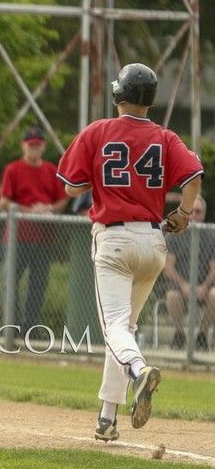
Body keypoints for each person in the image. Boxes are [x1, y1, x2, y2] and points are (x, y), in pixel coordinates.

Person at [57, 62, 204, 442]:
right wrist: (185, 214)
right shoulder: (165, 137)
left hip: (115, 240)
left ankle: (139, 370)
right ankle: (107, 418)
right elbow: (193, 176)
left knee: (114, 330)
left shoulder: (99, 131)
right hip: (153, 242)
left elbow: (70, 187)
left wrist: (97, 174)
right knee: (125, 328)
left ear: (118, 94)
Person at [0, 127, 69, 335]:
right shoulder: (13, 169)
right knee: (10, 282)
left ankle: (31, 327)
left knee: (38, 286)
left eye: (38, 145)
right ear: (24, 146)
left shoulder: (51, 170)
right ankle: (10, 327)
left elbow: (62, 200)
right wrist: (31, 210)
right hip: (17, 236)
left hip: (44, 237)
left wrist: (47, 209)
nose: (34, 149)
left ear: (43, 147)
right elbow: (4, 201)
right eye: (31, 146)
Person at [161, 195, 214, 351]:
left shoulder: (211, 235)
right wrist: (184, 285)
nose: (194, 215)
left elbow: (214, 268)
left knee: (214, 294)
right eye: (190, 211)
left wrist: (204, 287)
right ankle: (179, 334)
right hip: (180, 285)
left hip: (204, 286)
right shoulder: (174, 234)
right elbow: (168, 267)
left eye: (198, 212)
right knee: (172, 296)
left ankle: (202, 336)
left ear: (203, 214)